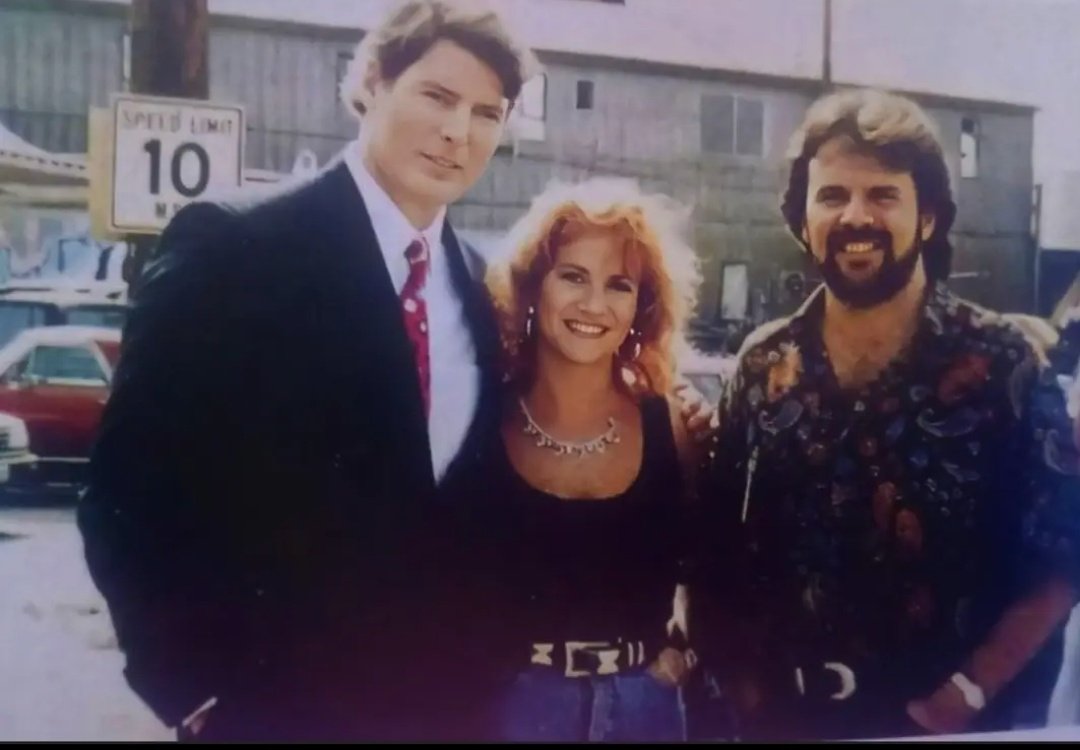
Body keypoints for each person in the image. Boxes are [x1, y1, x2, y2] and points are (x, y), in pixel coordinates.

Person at [77, 0, 539, 740]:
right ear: (372, 83)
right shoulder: (234, 246)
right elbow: (128, 492)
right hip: (271, 713)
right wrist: (189, 689)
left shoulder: (483, 290)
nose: (459, 131)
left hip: (444, 715)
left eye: (488, 112)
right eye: (437, 96)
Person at [698, 88, 1080, 741]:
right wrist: (747, 691)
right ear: (802, 218)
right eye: (832, 196)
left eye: (882, 195)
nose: (856, 216)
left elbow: (1061, 559)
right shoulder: (763, 367)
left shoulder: (1002, 364)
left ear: (927, 218)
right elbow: (716, 553)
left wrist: (960, 699)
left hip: (954, 726)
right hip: (790, 722)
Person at [447, 177, 704, 741]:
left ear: (642, 304)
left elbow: (710, 562)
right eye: (572, 276)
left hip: (647, 711)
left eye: (619, 285)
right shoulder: (477, 416)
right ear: (533, 286)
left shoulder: (674, 423)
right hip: (510, 714)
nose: (594, 305)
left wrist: (684, 652)